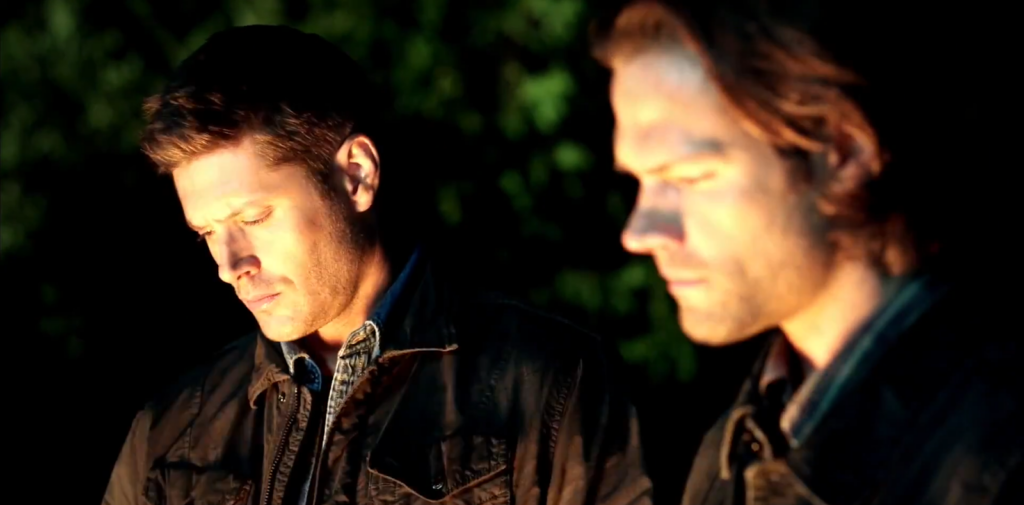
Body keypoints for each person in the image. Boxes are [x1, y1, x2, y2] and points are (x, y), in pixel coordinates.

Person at [101, 25, 651, 505]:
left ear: (356, 176)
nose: (229, 265)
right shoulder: (171, 430)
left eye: (255, 216)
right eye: (206, 232)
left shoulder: (552, 383)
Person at [592, 1, 1021, 503]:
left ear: (843, 153)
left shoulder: (995, 458)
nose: (639, 231)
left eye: (690, 177)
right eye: (640, 181)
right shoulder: (736, 450)